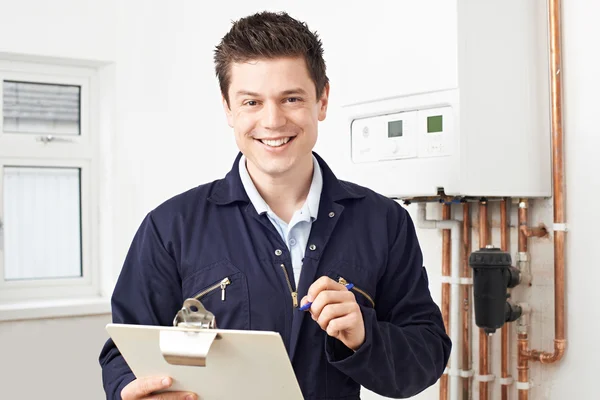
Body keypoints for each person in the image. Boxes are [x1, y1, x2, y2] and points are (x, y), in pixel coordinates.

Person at [99, 10, 451, 400]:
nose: (272, 120)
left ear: (322, 100)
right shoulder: (171, 227)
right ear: (228, 108)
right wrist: (130, 391)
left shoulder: (384, 222)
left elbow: (425, 358)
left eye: (291, 98)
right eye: (252, 102)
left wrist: (364, 334)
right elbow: (125, 354)